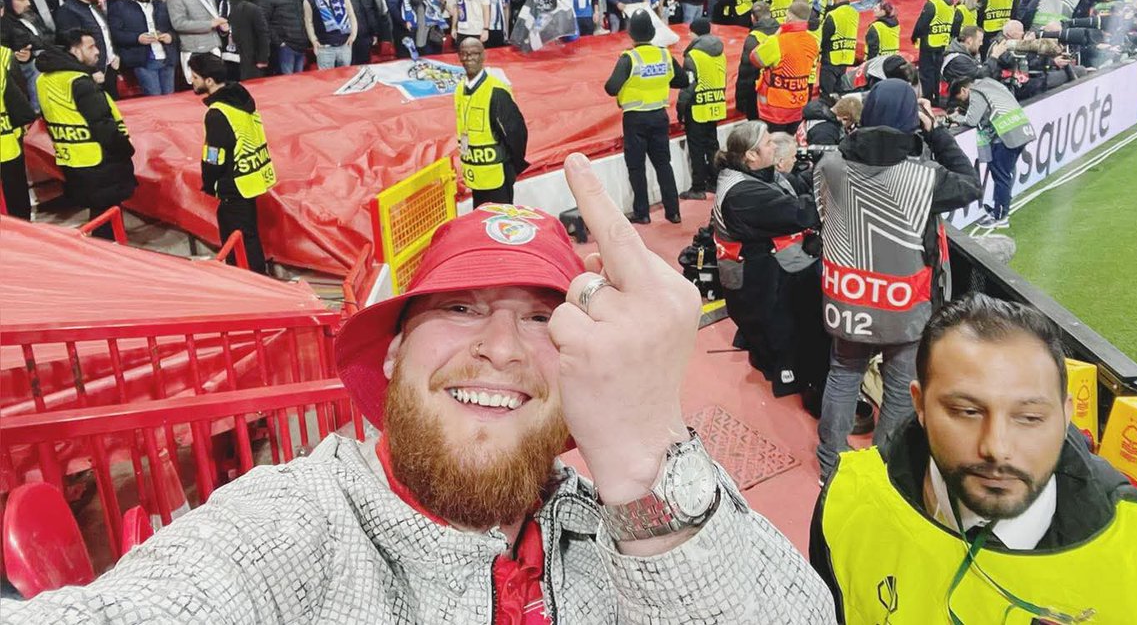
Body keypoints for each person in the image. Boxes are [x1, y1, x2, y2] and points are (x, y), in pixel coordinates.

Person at [10, 157, 839, 624]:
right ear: (396, 355)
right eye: (460, 308)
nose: (500, 346)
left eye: (539, 319)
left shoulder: (616, 524)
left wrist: (649, 473)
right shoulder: (297, 527)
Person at [810, 293, 1137, 624]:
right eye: (966, 411)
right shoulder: (846, 500)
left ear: (1066, 416)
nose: (996, 447)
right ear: (920, 405)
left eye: (1029, 418)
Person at [813, 80, 982, 481]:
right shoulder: (923, 177)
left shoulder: (830, 165)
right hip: (903, 303)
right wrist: (937, 132)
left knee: (843, 374)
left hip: (848, 296)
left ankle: (829, 464)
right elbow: (970, 183)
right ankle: (884, 465)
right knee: (899, 385)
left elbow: (820, 213)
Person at [713, 121, 823, 397]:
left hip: (762, 268)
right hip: (754, 280)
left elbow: (794, 186)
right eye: (768, 143)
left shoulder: (759, 174)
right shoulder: (742, 193)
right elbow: (799, 212)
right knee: (787, 329)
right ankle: (794, 377)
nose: (775, 145)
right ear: (750, 155)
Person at [35, 29, 136, 237]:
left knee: (98, 214)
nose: (97, 52)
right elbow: (102, 125)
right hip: (99, 160)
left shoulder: (44, 80)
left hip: (70, 157)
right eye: (90, 47)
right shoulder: (79, 82)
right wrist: (125, 149)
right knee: (106, 217)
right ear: (75, 50)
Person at [189, 52, 275, 274]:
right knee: (249, 236)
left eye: (195, 77)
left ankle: (249, 283)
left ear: (209, 80)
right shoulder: (241, 100)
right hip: (252, 178)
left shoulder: (217, 113)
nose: (192, 81)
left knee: (238, 241)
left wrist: (210, 183)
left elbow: (214, 158)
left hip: (233, 185)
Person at [604, 10, 687, 225]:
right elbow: (682, 81)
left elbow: (611, 88)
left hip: (635, 120)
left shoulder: (629, 58)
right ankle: (673, 212)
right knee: (663, 164)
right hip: (659, 116)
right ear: (652, 33)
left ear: (631, 35)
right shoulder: (664, 54)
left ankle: (642, 213)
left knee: (636, 166)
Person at [948, 74, 1035, 227]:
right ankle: (999, 207)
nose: (963, 102)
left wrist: (954, 118)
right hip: (1021, 129)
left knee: (1001, 174)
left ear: (963, 89)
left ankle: (1000, 217)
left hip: (1006, 135)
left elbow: (971, 120)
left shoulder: (975, 92)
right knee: (1004, 173)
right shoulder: (989, 83)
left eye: (961, 98)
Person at [453, 37, 529, 207]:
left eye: (474, 54)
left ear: (483, 56)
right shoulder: (459, 90)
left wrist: (511, 166)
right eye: (464, 54)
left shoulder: (496, 91)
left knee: (500, 225)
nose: (469, 59)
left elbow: (517, 133)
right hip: (475, 176)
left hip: (497, 176)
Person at [752, 0, 821, 135]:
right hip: (799, 102)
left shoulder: (777, 41)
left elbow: (755, 59)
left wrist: (775, 35)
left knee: (773, 145)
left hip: (775, 107)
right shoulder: (813, 41)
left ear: (788, 17)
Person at [676, 16, 725, 200]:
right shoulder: (720, 52)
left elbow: (688, 87)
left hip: (697, 107)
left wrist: (680, 109)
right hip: (716, 104)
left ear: (694, 32)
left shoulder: (693, 56)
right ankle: (715, 180)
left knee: (696, 148)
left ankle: (698, 187)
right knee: (712, 145)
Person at [108, 0, 178, 95]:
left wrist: (170, 36)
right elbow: (116, 34)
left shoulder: (161, 4)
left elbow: (174, 28)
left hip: (167, 59)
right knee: (155, 102)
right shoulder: (119, 7)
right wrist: (137, 38)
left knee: (171, 101)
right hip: (143, 62)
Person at [54, 0, 120, 98]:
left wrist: (114, 54)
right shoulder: (67, 11)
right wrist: (91, 70)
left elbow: (105, 33)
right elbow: (73, 46)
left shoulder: (94, 7)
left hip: (108, 68)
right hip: (91, 75)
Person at [167, 0, 225, 79]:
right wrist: (209, 24)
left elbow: (213, 15)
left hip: (213, 44)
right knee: (198, 89)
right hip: (194, 48)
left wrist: (222, 28)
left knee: (217, 84)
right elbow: (178, 23)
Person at [1, 32, 38, 219]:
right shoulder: (4, 56)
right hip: (7, 140)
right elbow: (19, 97)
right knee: (15, 193)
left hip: (8, 138)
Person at [909, 0, 961, 103]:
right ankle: (936, 97)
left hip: (930, 42)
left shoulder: (933, 3)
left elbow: (922, 22)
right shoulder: (950, 3)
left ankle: (928, 99)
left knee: (926, 72)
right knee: (937, 72)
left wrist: (914, 36)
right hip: (942, 41)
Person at [217, 0, 271, 81]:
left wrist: (263, 59)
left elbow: (263, 34)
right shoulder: (219, 5)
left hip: (247, 60)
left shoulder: (252, 8)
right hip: (225, 58)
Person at [304, 0, 357, 69]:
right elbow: (308, 22)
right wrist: (314, 41)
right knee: (327, 80)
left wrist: (353, 35)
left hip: (344, 43)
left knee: (345, 76)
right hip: (324, 47)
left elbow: (351, 15)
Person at [734, 1, 779, 120]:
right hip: (781, 90)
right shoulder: (782, 32)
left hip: (759, 93)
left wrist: (740, 100)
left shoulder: (754, 38)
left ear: (752, 18)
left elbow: (746, 73)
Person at [817, 0, 858, 98]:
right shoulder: (854, 13)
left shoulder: (833, 15)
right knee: (839, 92)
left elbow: (824, 37)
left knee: (827, 94)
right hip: (847, 58)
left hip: (831, 58)